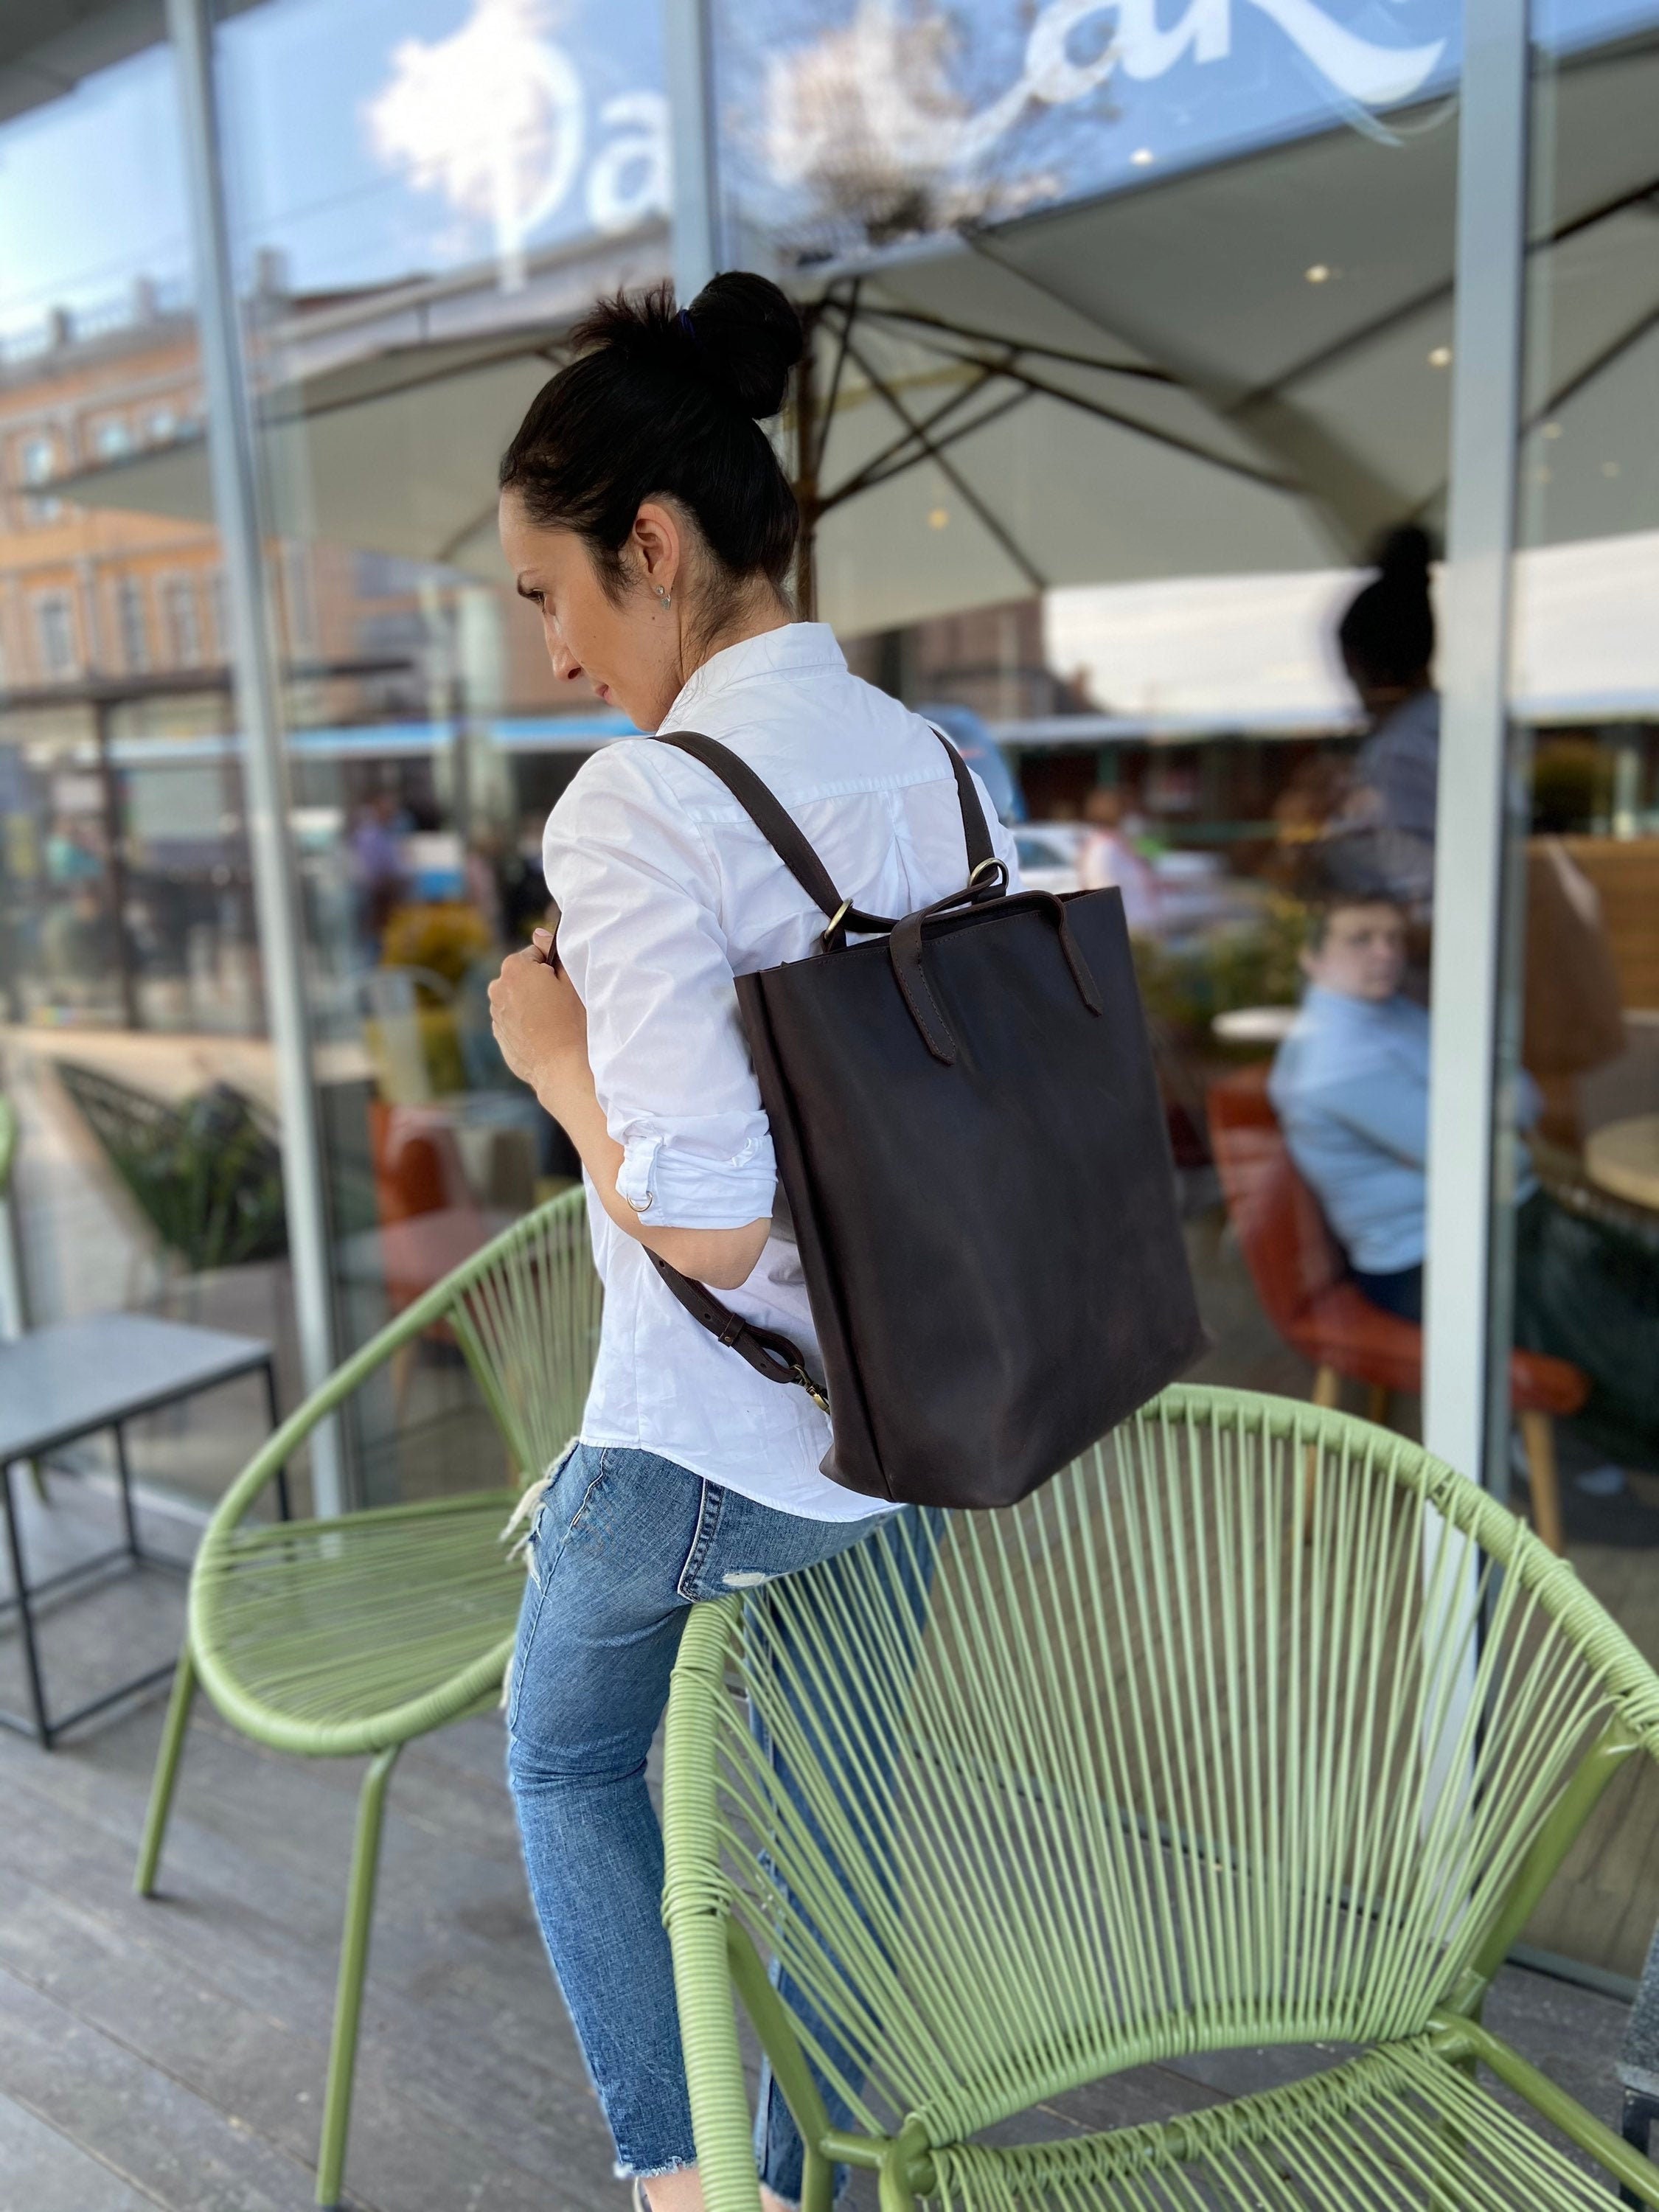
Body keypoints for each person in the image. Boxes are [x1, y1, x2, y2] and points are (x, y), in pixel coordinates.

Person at [484, 272, 1020, 2212]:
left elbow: (707, 1221)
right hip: (919, 1415)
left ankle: (706, 2186)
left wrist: (552, 1055)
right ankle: (827, 2155)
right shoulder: (947, 766)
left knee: (558, 1763)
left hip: (709, 1445)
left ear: (652, 544)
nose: (552, 655)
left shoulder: (633, 806)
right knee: (849, 1820)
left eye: (550, 593)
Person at [1270, 890, 1659, 1477]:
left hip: (1500, 1221)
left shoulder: (1392, 1013)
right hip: (1424, 1263)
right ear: (1311, 957)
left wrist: (1482, 1128)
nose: (1385, 953)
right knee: (1632, 1327)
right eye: (1360, 939)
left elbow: (1521, 1095)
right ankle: (1589, 1439)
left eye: (1393, 938)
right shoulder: (1335, 1060)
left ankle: (1594, 1436)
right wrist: (1486, 1126)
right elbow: (1476, 1156)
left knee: (1642, 1274)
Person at [1325, 525, 1440, 912]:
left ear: (1374, 675)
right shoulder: (1451, 728)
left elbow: (1419, 891)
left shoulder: (1401, 750)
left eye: (1351, 679)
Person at [1079, 785, 1161, 933]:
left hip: (1140, 931)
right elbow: (1102, 895)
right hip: (1123, 932)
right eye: (1129, 812)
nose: (1135, 818)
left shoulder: (1122, 846)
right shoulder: (1104, 850)